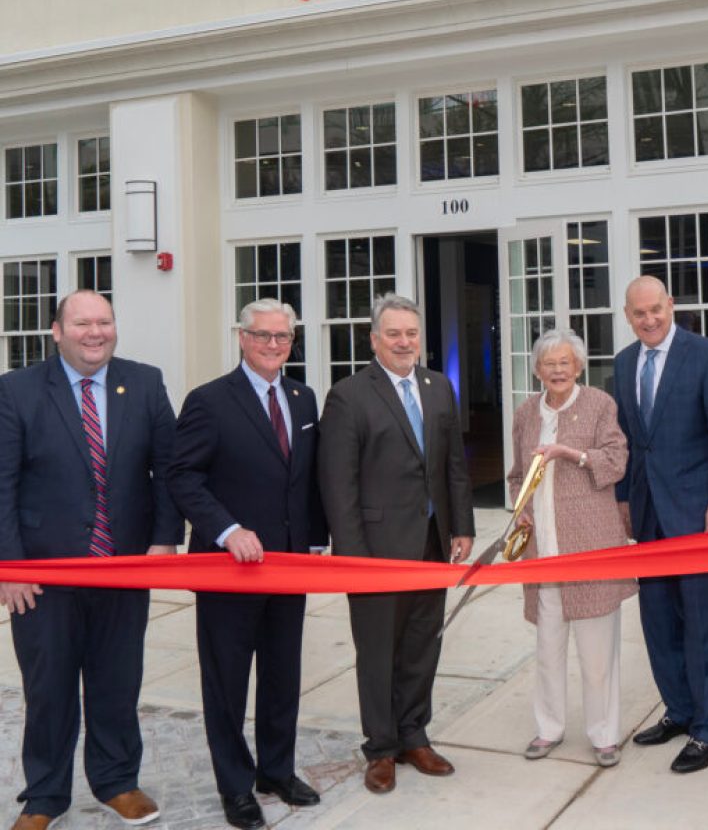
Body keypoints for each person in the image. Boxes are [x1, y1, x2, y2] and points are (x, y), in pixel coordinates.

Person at [0, 289, 182, 830]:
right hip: (43, 574)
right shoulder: (17, 390)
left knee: (117, 680)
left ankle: (117, 781)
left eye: (104, 322)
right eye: (82, 324)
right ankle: (44, 798)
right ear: (56, 331)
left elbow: (168, 470)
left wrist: (165, 538)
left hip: (124, 567)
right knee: (49, 686)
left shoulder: (144, 382)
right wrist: (9, 567)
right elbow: (2, 483)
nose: (95, 333)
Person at [168, 299, 326, 830]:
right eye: (263, 336)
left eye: (283, 337)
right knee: (227, 684)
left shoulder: (303, 399)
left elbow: (305, 482)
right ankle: (235, 787)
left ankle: (276, 771)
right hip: (227, 570)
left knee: (284, 676)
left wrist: (318, 542)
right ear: (241, 336)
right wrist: (227, 529)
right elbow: (182, 476)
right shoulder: (209, 401)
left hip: (288, 567)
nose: (274, 345)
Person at [318, 293, 475, 795]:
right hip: (376, 551)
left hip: (431, 544)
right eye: (394, 333)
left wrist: (462, 527)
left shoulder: (438, 387)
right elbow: (338, 486)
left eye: (411, 333)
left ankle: (413, 735)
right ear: (374, 339)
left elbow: (453, 465)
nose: (404, 341)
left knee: (421, 647)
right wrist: (353, 557)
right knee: (378, 651)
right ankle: (381, 748)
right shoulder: (348, 396)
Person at [613, 275, 708, 774]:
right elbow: (627, 441)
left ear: (672, 304)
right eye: (638, 313)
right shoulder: (625, 364)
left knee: (706, 623)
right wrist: (624, 499)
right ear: (627, 315)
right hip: (647, 514)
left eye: (656, 309)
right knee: (659, 621)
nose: (649, 320)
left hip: (698, 513)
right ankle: (680, 710)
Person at [508, 329, 633, 767]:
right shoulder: (526, 413)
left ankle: (604, 735)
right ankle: (549, 729)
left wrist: (570, 454)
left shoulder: (600, 404)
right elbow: (515, 474)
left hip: (590, 549)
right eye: (549, 364)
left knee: (598, 655)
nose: (557, 370)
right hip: (542, 554)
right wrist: (519, 507)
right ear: (538, 369)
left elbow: (617, 461)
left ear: (578, 366)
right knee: (547, 649)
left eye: (565, 362)